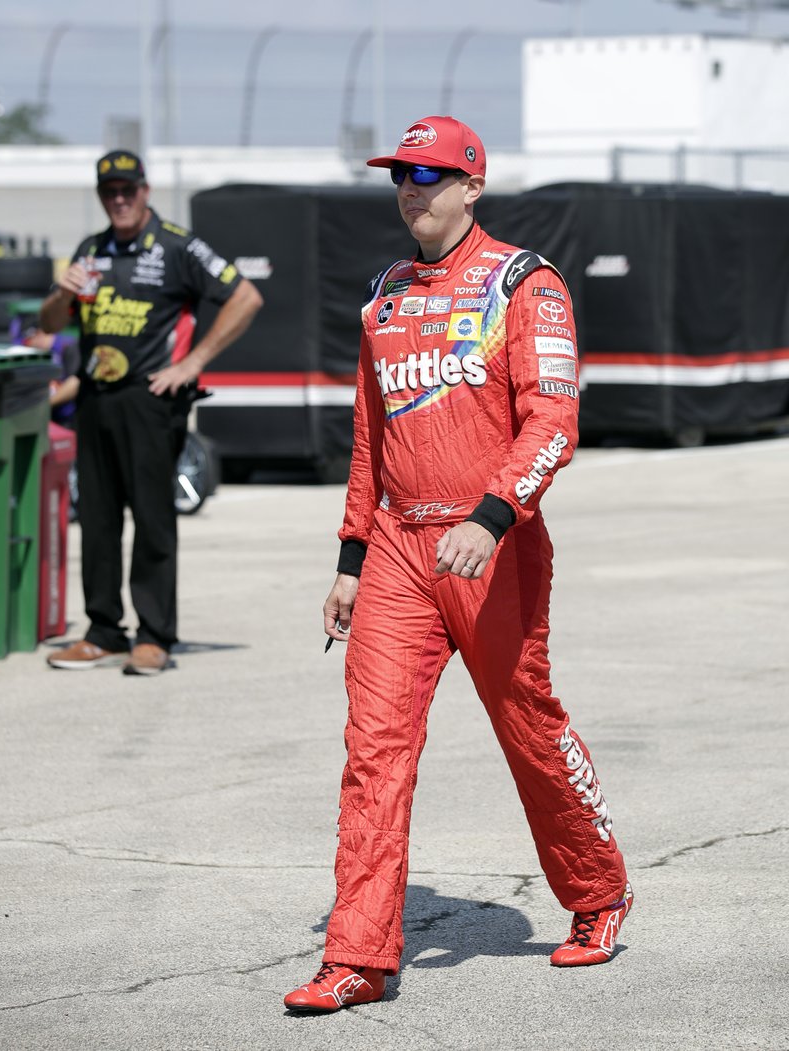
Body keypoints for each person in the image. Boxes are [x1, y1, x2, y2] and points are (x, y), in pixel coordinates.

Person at [284, 116, 632, 1013]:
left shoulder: (525, 281)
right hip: (398, 547)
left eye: (431, 175)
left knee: (528, 724)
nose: (412, 190)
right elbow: (371, 436)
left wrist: (493, 513)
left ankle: (597, 891)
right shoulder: (384, 294)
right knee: (375, 748)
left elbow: (554, 422)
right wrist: (351, 556)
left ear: (472, 185)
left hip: (490, 545)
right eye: (401, 175)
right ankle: (357, 955)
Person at [41, 149, 262, 675]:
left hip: (152, 399)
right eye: (109, 191)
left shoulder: (175, 245)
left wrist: (193, 363)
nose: (118, 199)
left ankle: (155, 634)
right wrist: (60, 291)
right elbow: (53, 323)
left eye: (127, 189)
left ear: (145, 191)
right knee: (95, 518)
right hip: (95, 397)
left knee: (152, 519)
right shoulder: (91, 250)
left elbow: (246, 297)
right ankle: (103, 631)